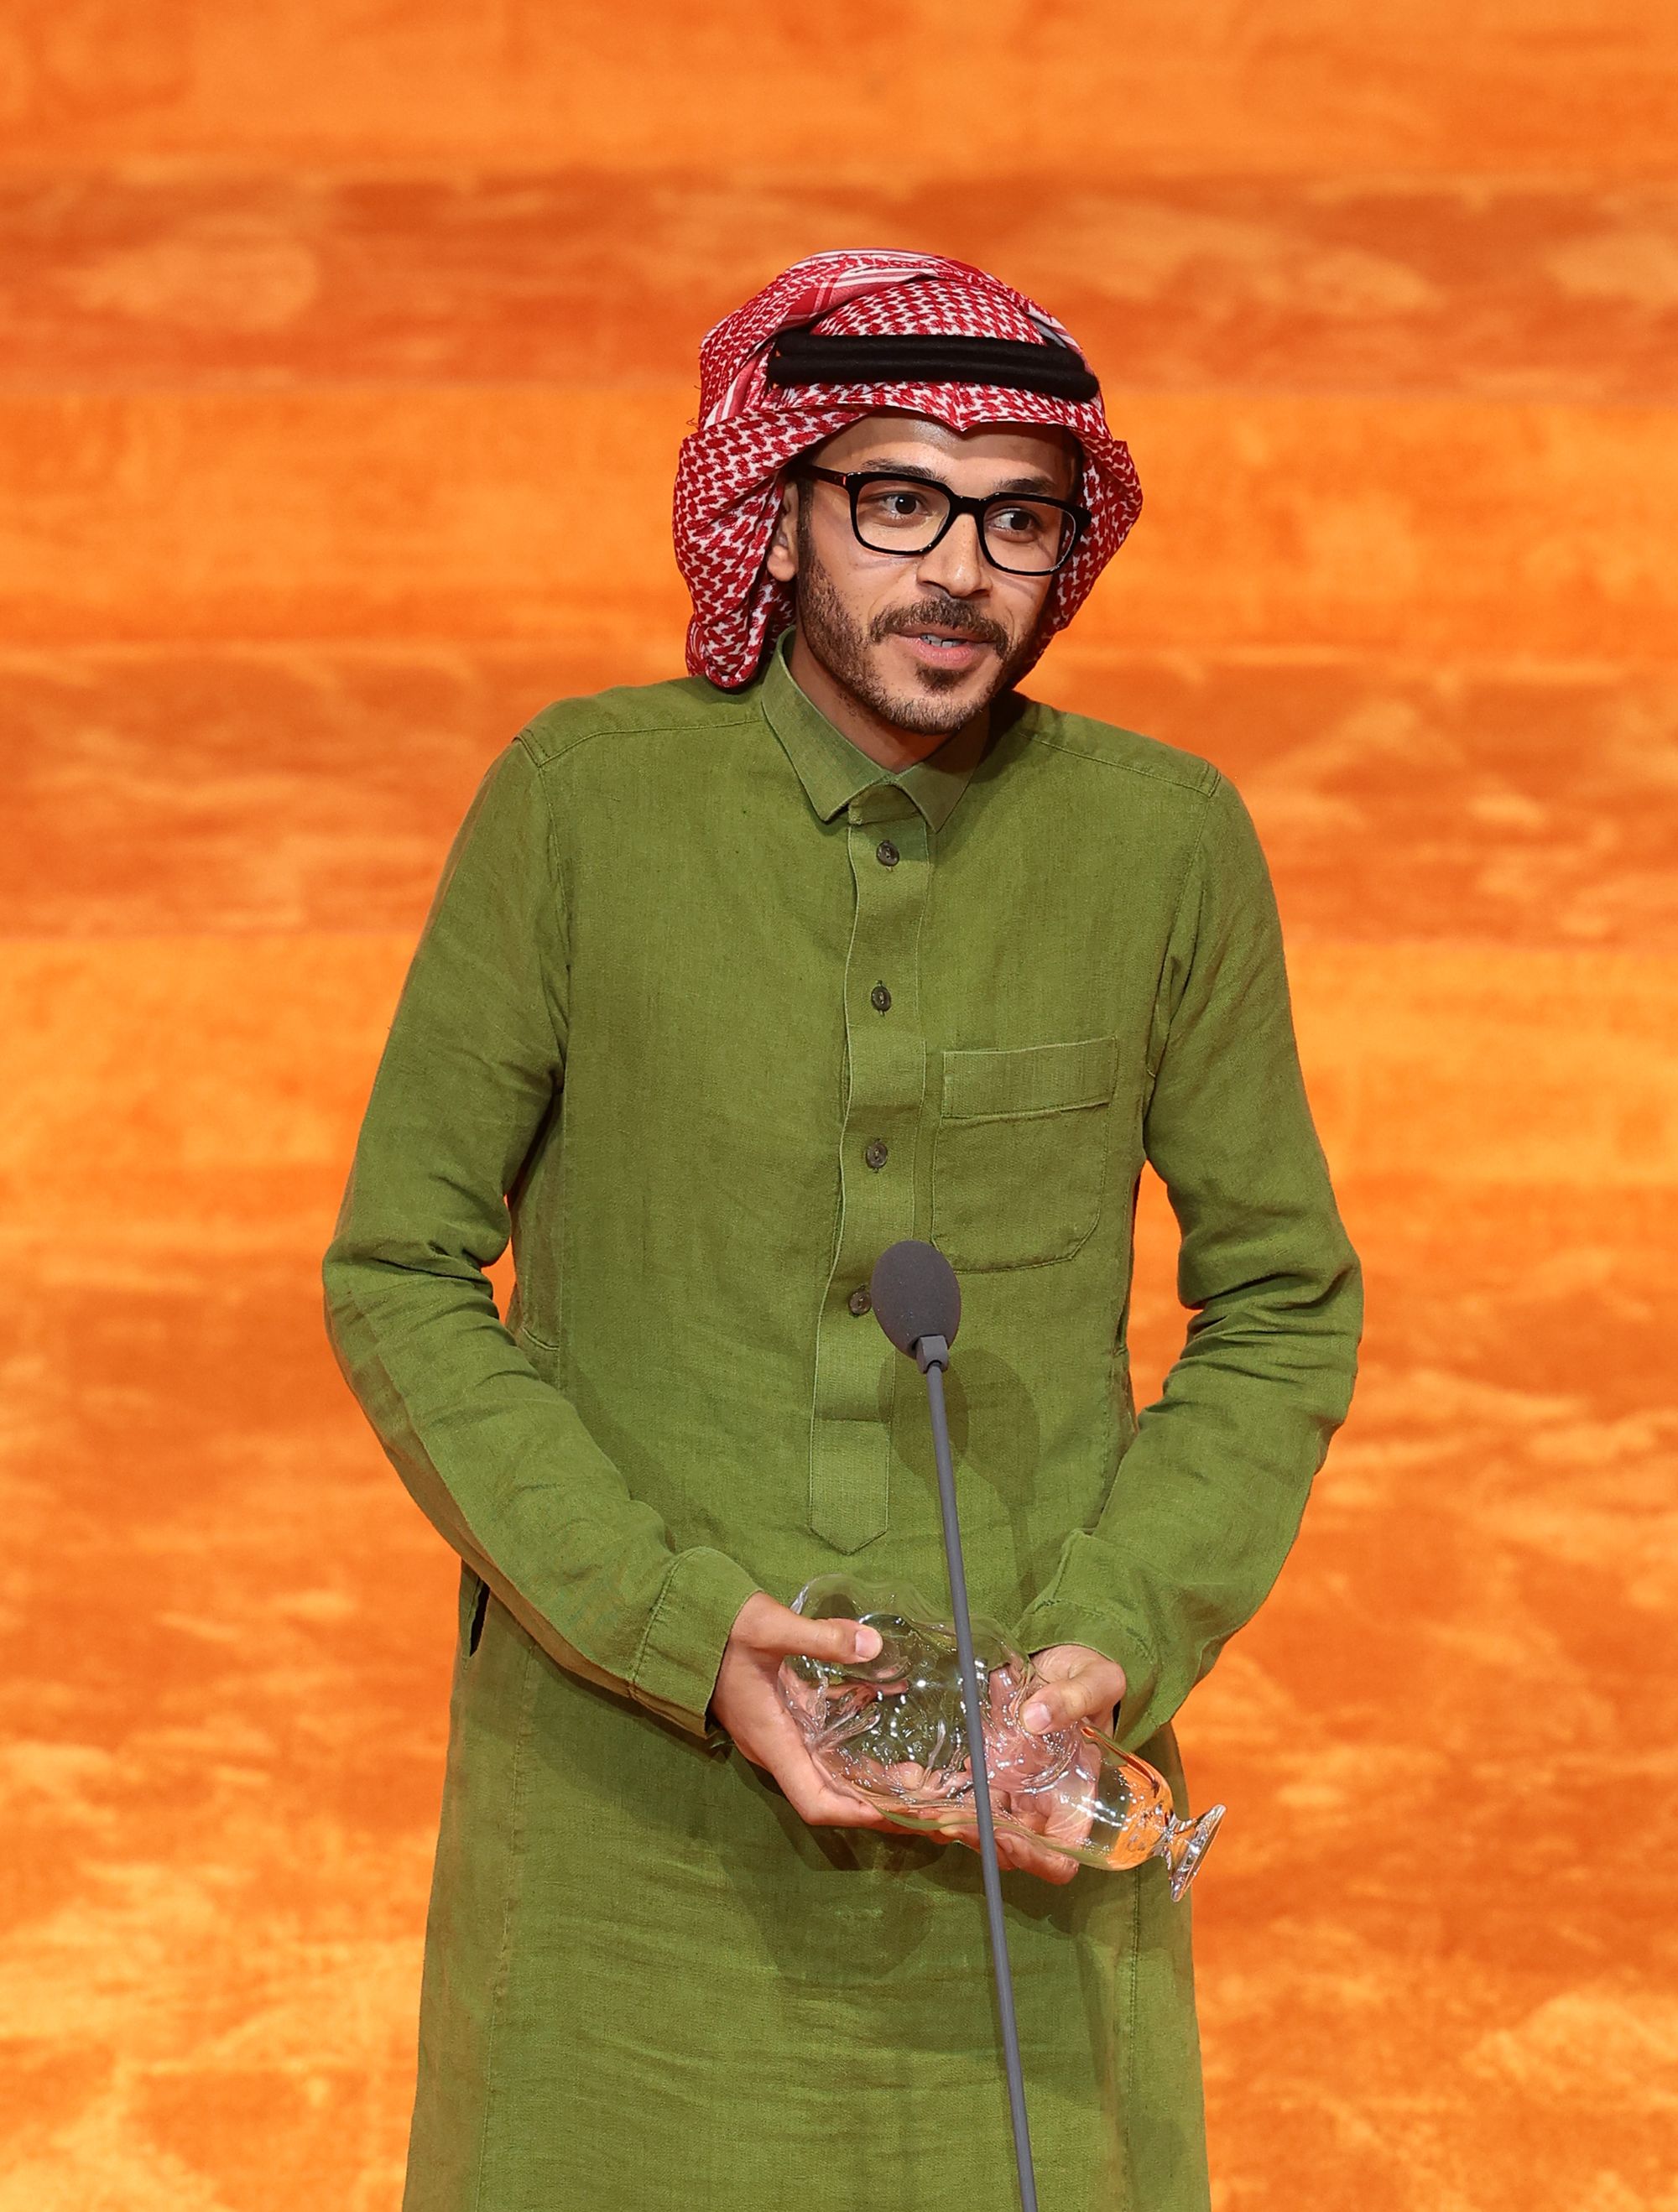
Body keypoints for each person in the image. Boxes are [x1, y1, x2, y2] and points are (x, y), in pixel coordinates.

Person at [321, 248, 1363, 2212]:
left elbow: (1283, 1302)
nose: (957, 570)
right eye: (896, 501)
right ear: (781, 508)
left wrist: (1110, 1638)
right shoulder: (579, 805)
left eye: (1016, 519)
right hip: (629, 1804)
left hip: (1013, 1809)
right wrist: (664, 1622)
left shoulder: (1163, 844)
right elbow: (398, 1267)